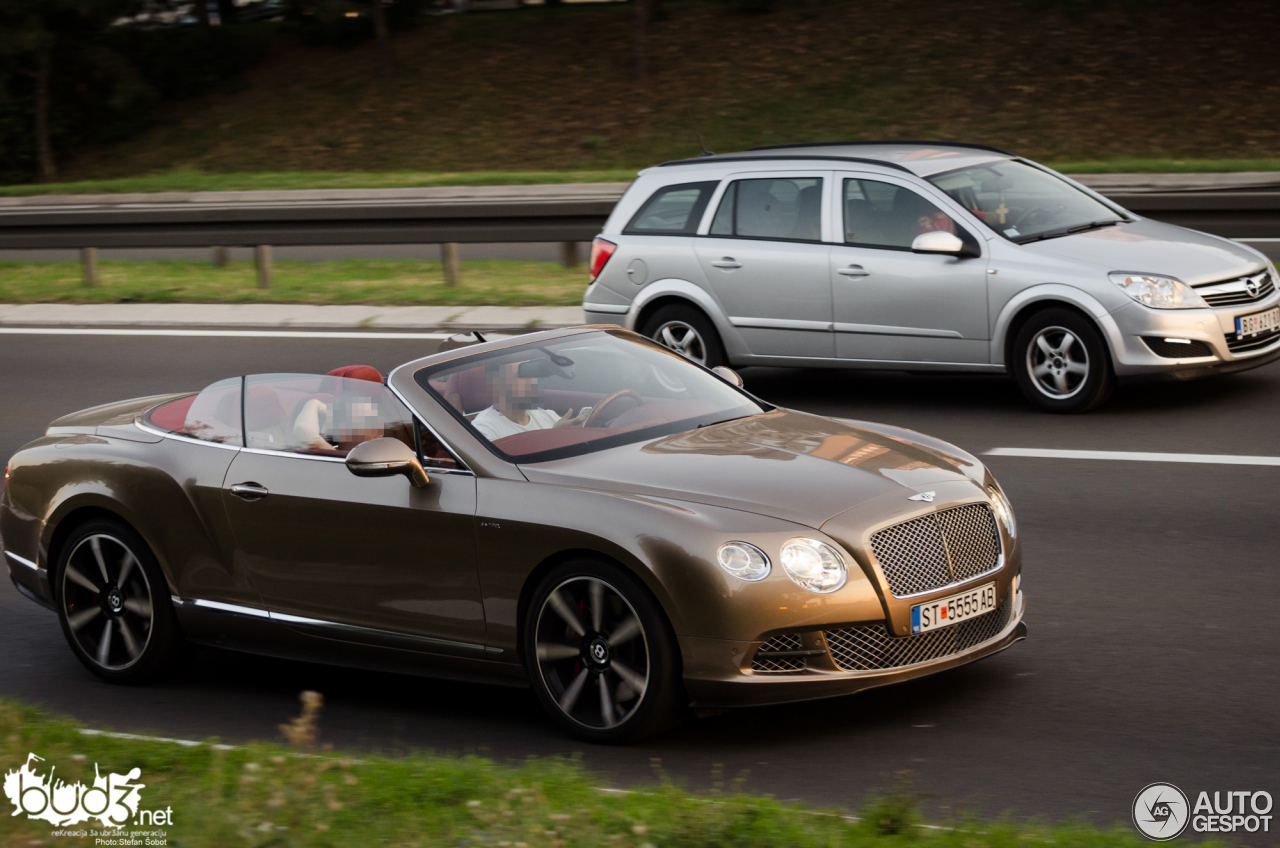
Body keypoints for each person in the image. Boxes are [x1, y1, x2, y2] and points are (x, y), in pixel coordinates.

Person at [472, 361, 587, 441]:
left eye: (531, 374)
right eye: (521, 375)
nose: (530, 381)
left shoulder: (548, 415)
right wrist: (552, 438)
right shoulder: (483, 428)